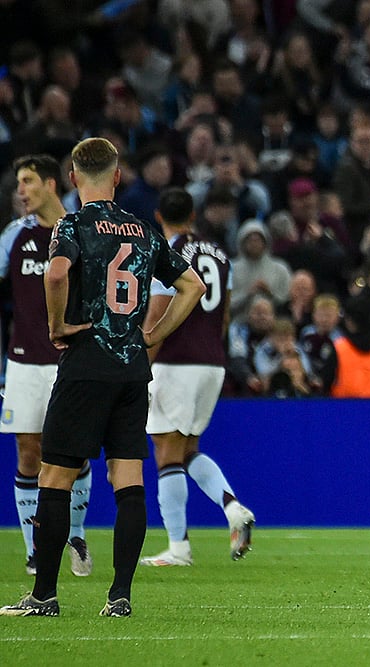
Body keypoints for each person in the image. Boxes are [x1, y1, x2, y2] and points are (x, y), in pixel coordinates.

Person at [0, 137, 204, 618]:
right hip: (132, 369)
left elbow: (55, 276)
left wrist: (56, 326)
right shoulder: (143, 231)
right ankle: (120, 597)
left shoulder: (72, 223)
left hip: (85, 363)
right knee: (127, 478)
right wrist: (152, 334)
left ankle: (44, 595)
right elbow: (191, 285)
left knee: (54, 476)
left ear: (72, 179)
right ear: (116, 177)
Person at [139, 188, 256, 568]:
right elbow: (222, 317)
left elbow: (157, 312)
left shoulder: (167, 253)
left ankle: (178, 547)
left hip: (175, 362)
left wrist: (143, 363)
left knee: (165, 452)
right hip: (211, 363)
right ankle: (232, 506)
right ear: (193, 214)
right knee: (188, 449)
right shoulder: (220, 254)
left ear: (159, 216)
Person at [0, 155, 93, 578]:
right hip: (23, 362)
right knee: (27, 453)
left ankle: (75, 533)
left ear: (51, 184)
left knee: (74, 454)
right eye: (18, 183)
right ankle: (35, 552)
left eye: (28, 181)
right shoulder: (13, 237)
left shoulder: (80, 232)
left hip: (68, 361)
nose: (21, 190)